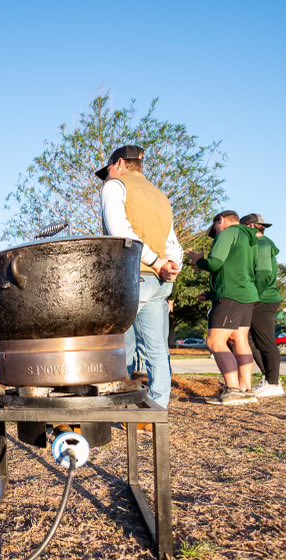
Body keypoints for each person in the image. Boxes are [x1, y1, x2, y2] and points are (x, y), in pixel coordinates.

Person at [97, 144, 182, 409]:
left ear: (120, 164)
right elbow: (172, 242)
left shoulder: (115, 185)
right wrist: (170, 266)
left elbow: (120, 232)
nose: (107, 175)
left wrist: (156, 263)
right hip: (159, 280)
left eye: (109, 169)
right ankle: (158, 406)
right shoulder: (160, 196)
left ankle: (120, 405)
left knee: (118, 345)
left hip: (133, 276)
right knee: (156, 347)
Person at [186, 211, 259, 405]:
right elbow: (238, 269)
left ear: (222, 221)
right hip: (247, 294)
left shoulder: (228, 233)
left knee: (215, 342)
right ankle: (246, 389)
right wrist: (212, 294)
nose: (216, 234)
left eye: (215, 229)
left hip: (230, 295)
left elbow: (215, 263)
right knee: (238, 339)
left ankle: (233, 390)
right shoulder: (251, 239)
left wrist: (199, 260)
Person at [241, 214, 285, 397]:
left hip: (263, 299)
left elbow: (264, 273)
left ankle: (274, 383)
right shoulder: (258, 244)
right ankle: (269, 379)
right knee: (250, 340)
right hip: (259, 298)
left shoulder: (262, 245)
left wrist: (253, 295)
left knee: (265, 340)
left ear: (250, 226)